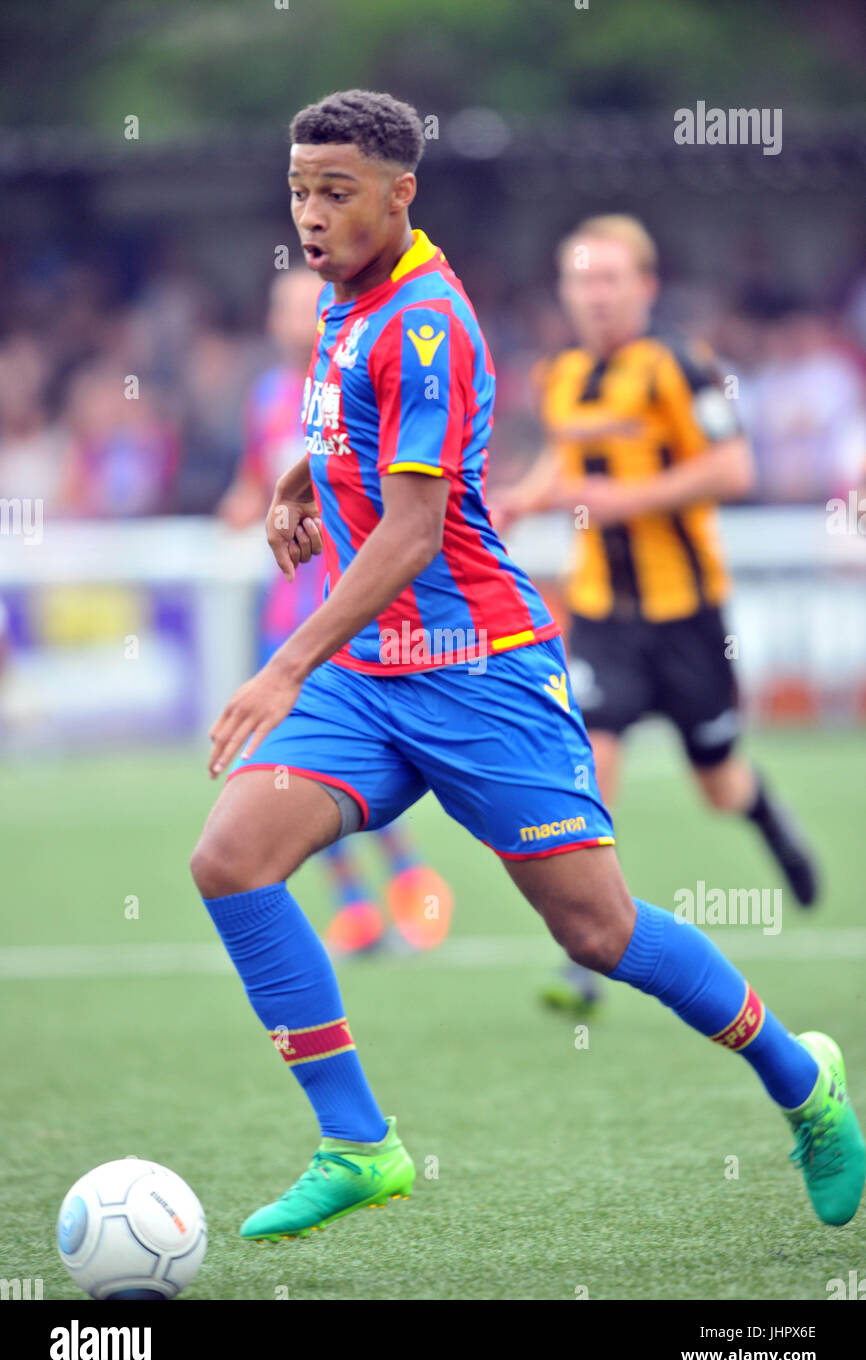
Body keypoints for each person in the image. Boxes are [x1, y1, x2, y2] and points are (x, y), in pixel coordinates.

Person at [190, 90, 864, 1243]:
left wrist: (284, 665)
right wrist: (306, 472)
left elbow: (411, 534)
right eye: (298, 189)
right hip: (373, 676)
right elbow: (364, 429)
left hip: (480, 672)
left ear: (400, 193)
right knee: (230, 857)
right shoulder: (347, 306)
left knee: (595, 934)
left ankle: (802, 1085)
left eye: (334, 191)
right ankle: (359, 1143)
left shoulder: (426, 318)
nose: (309, 212)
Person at [492, 215, 820, 1014]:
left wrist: (622, 500)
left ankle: (770, 819)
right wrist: (524, 499)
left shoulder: (682, 365)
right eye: (581, 281)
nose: (595, 297)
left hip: (688, 614)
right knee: (592, 758)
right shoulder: (561, 375)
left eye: (611, 280)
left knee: (719, 783)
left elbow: (733, 466)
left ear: (644, 286)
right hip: (605, 613)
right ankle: (586, 944)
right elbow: (567, 456)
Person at [218, 268, 452, 955]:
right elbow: (254, 480)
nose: (297, 320)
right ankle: (355, 905)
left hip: (350, 606)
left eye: (306, 306)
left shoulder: (355, 382)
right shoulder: (266, 397)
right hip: (285, 607)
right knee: (291, 763)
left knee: (350, 758)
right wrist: (238, 511)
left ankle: (413, 880)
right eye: (283, 308)